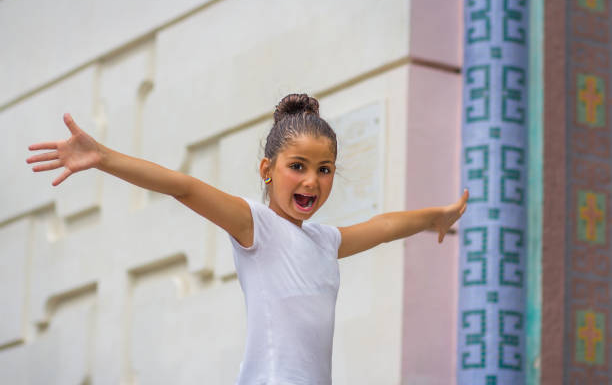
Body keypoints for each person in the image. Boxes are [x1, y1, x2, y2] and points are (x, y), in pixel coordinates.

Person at [27, 93, 468, 385]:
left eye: (324, 169)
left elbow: (387, 226)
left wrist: (437, 217)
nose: (311, 181)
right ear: (267, 170)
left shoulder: (324, 241)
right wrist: (103, 158)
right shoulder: (255, 226)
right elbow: (184, 186)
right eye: (297, 166)